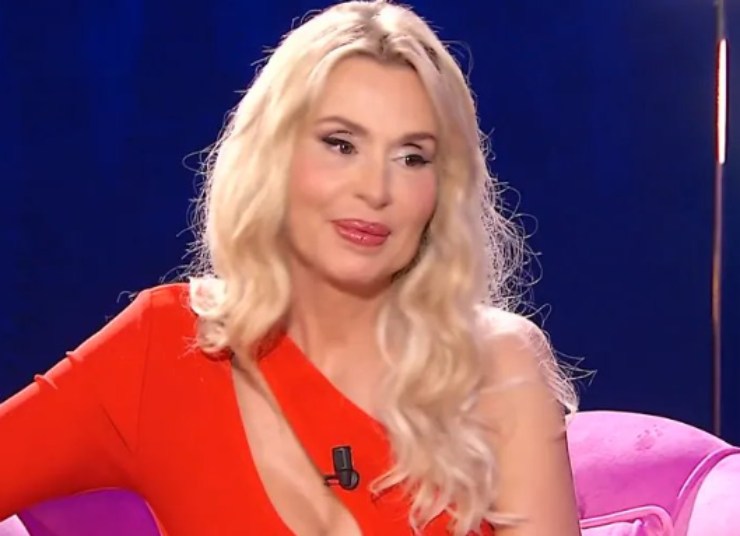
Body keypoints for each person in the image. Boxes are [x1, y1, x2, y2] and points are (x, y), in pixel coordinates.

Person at [0, 1, 582, 535]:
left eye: (412, 157)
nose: (376, 189)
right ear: (273, 153)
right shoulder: (161, 348)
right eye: (340, 144)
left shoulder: (497, 365)